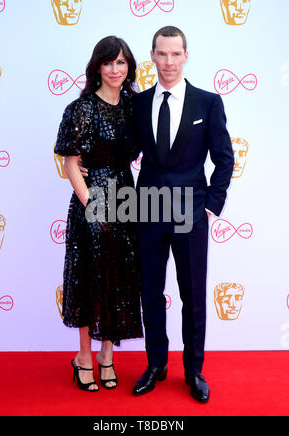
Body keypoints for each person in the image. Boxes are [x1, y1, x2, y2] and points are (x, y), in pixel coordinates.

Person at [132, 26, 234, 402]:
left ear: (186, 55)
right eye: (162, 54)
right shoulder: (139, 104)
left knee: (192, 295)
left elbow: (224, 158)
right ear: (153, 56)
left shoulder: (208, 102)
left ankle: (194, 371)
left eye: (176, 54)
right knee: (150, 292)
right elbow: (124, 150)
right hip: (147, 211)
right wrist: (91, 164)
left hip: (191, 211)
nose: (169, 62)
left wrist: (210, 205)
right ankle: (156, 364)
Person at [54, 36, 143, 392]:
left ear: (129, 67)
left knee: (119, 280)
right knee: (91, 279)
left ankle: (107, 356)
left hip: (126, 197)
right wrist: (93, 203)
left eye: (121, 63)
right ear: (97, 67)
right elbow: (72, 164)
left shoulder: (135, 106)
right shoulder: (82, 108)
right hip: (91, 202)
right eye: (108, 63)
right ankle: (83, 358)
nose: (115, 70)